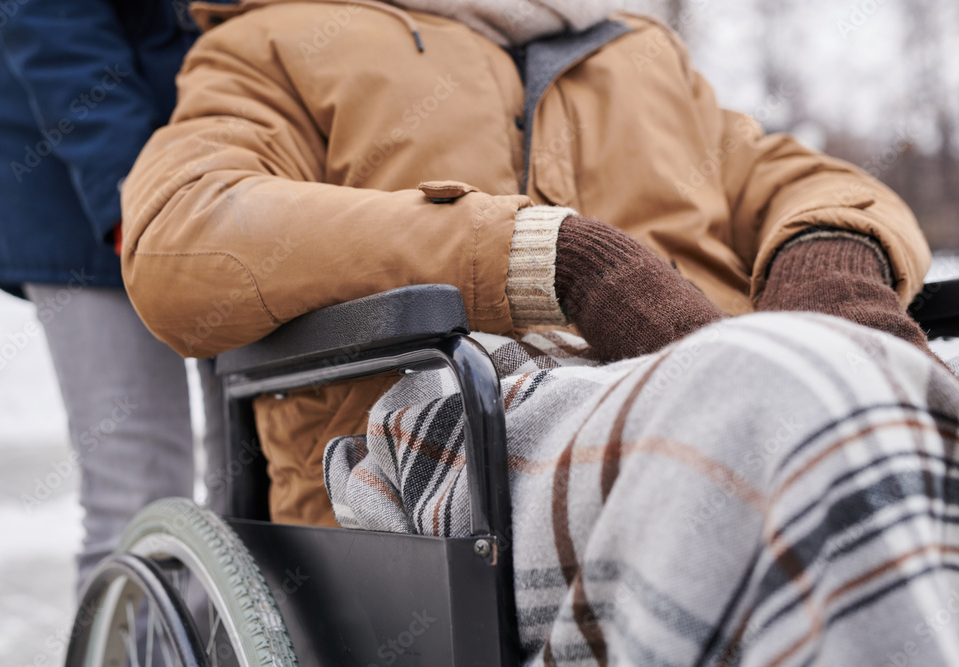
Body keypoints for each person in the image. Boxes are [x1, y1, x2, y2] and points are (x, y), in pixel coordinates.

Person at [119, 1, 959, 664]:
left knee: (842, 400)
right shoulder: (274, 41)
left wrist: (834, 252)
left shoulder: (637, 54)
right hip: (454, 440)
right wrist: (545, 255)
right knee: (785, 399)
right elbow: (181, 234)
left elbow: (806, 178)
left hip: (748, 394)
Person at [0, 0, 225, 592]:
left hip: (239, 184)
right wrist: (126, 194)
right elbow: (54, 29)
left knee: (246, 494)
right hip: (88, 186)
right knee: (139, 498)